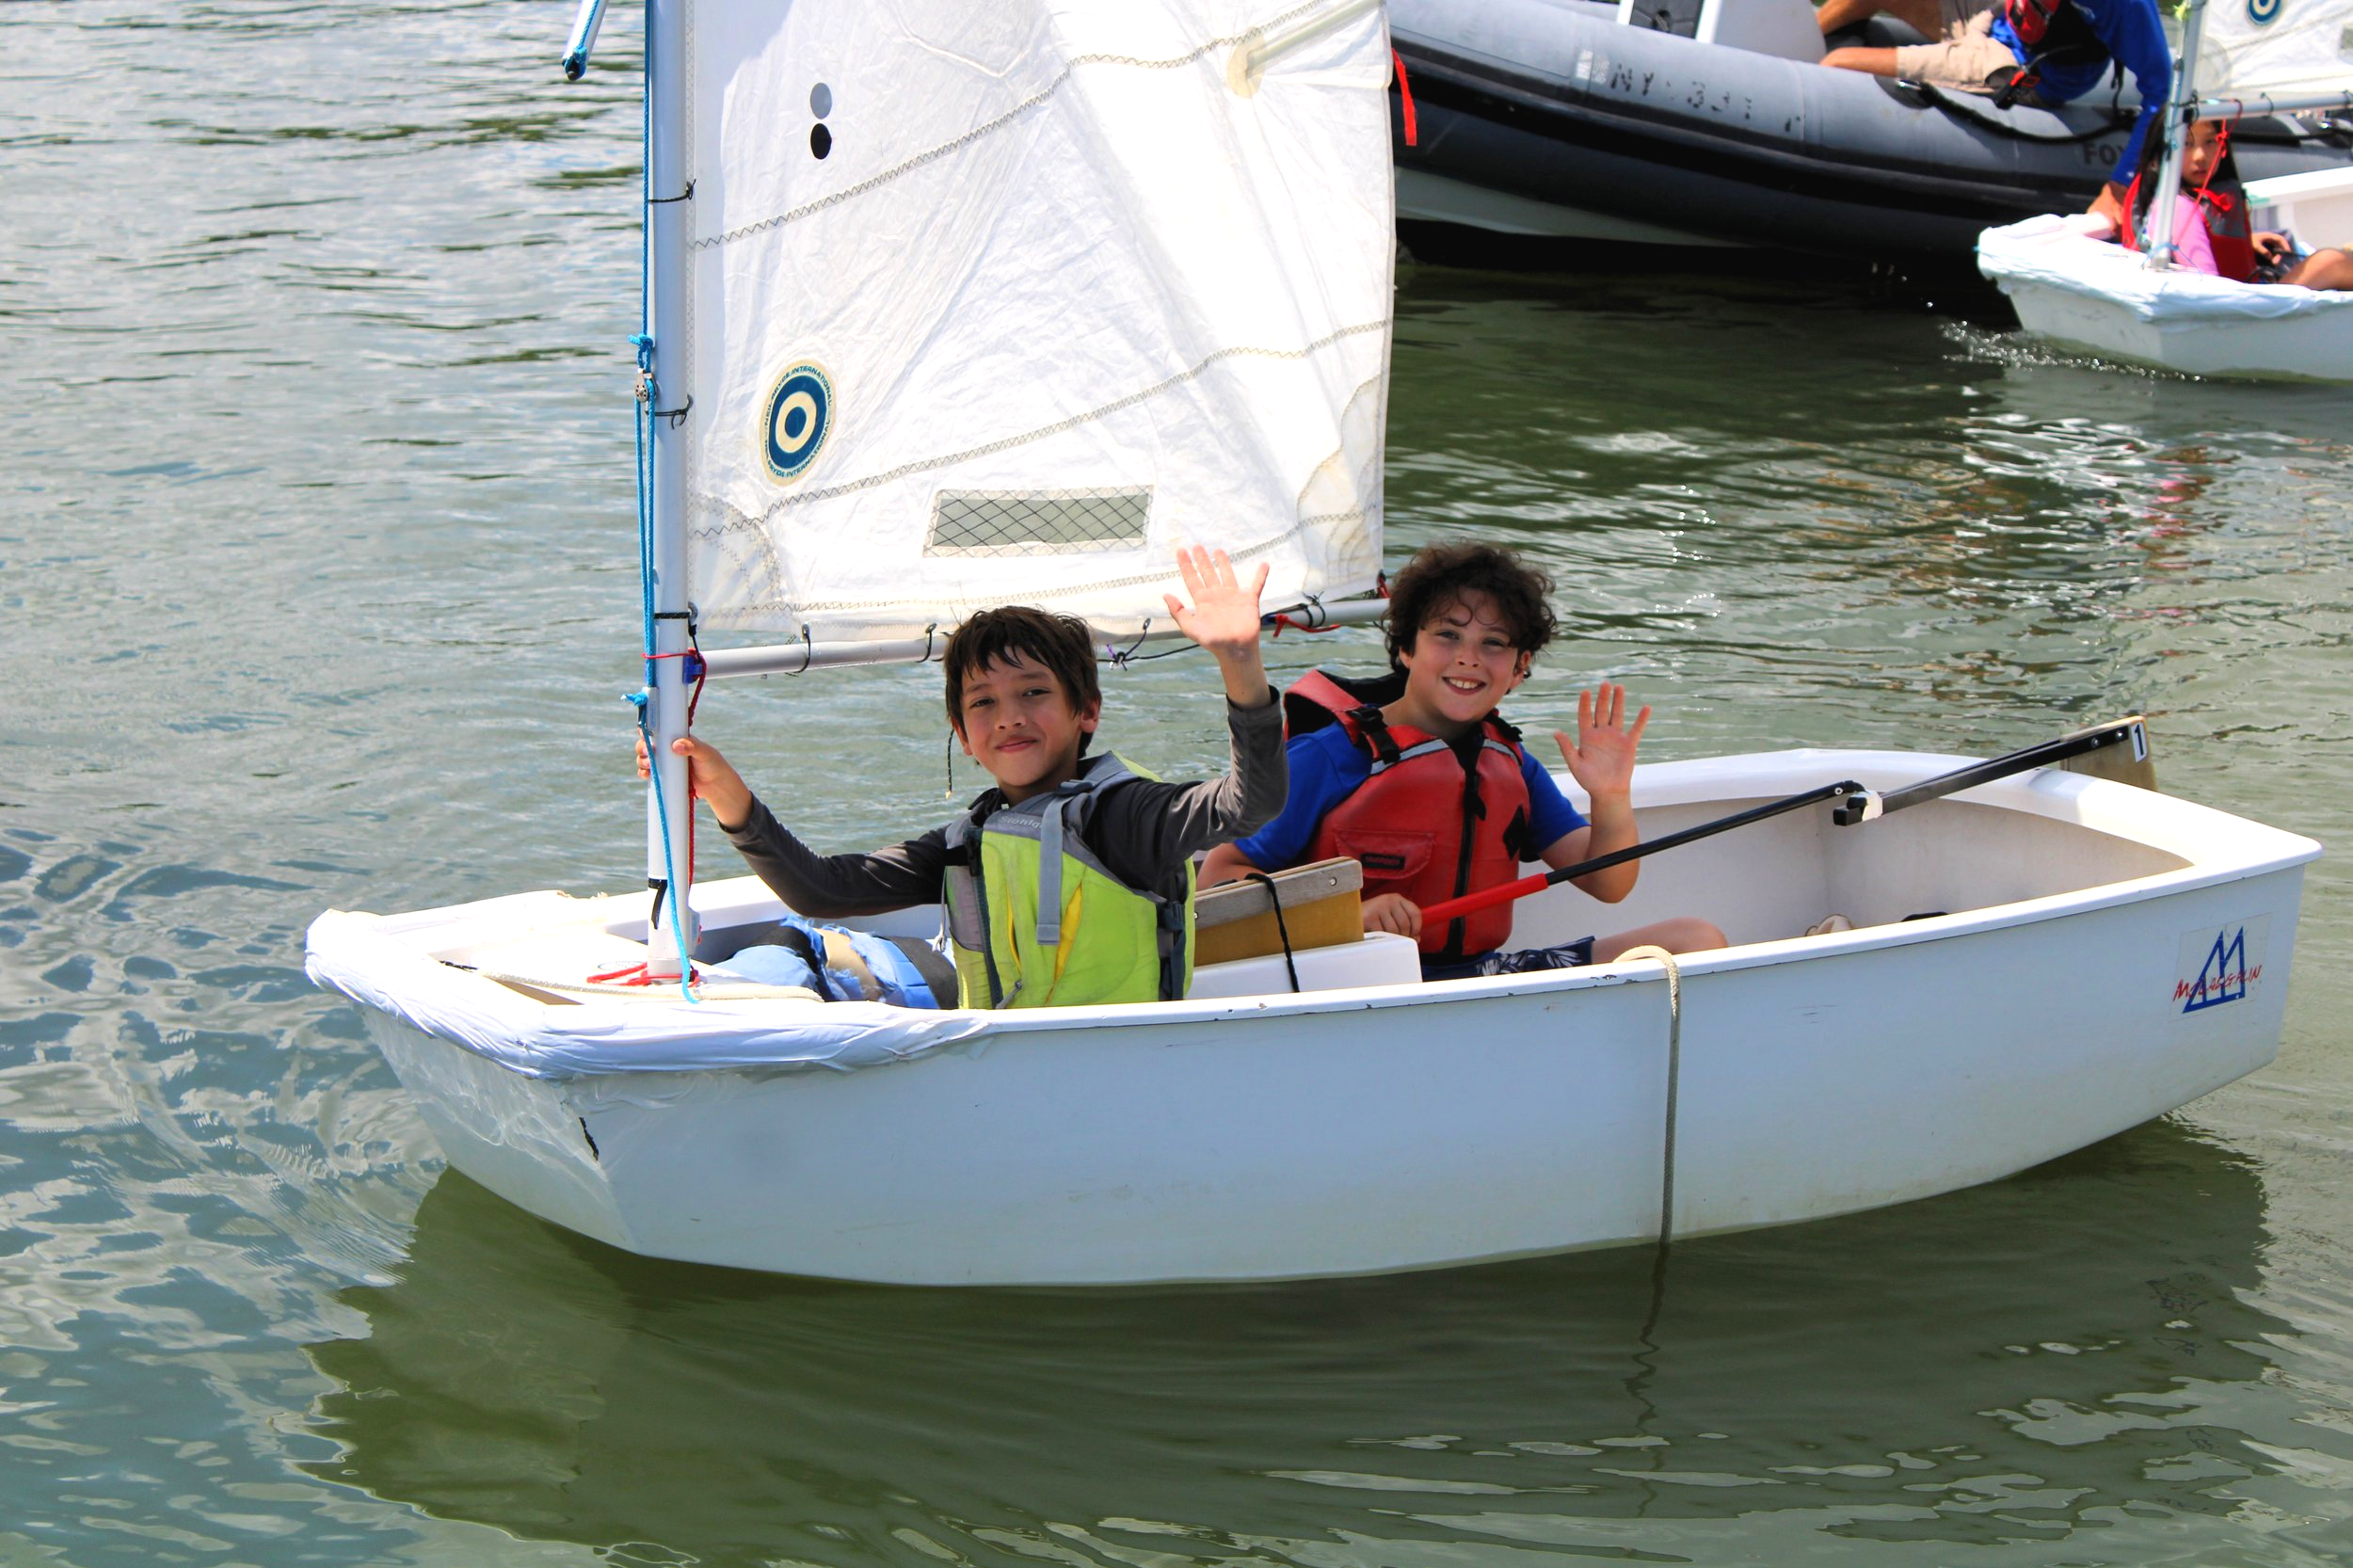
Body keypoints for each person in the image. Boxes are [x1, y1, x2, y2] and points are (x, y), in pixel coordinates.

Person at [640, 546, 1286, 1009]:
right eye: (983, 702)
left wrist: (1240, 665)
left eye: (1034, 693)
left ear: (1086, 710)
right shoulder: (968, 840)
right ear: (963, 735)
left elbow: (1250, 804)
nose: (1009, 718)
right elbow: (820, 889)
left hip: (1110, 1068)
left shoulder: (1125, 816)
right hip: (1001, 1069)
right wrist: (721, 789)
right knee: (803, 941)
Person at [1200, 542, 1724, 982]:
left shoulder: (1513, 765)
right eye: (1447, 635)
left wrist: (1610, 797)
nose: (1468, 657)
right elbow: (1219, 883)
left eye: (1492, 644)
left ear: (1519, 669)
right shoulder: (1327, 757)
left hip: (1478, 979)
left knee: (1696, 941)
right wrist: (1348, 917)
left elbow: (1608, 883)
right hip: (1345, 982)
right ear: (1405, 647)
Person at [1816, 0, 2170, 225]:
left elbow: (2161, 87)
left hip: (2016, 68)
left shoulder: (2127, 5)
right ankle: (1773, 52)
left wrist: (2121, 185)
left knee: (1841, 63)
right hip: (1994, 17)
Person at [2118, 118, 2353, 291]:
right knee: (2329, 262)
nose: (2200, 156)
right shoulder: (2177, 207)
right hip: (2241, 314)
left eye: (2211, 142)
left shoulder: (2184, 198)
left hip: (2245, 297)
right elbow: (2207, 288)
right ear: (2162, 150)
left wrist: (2247, 243)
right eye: (2187, 144)